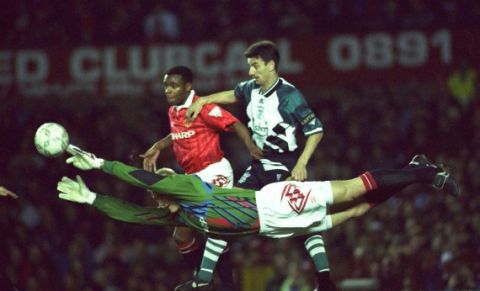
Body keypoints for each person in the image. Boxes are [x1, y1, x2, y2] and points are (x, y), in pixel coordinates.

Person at [59, 146, 460, 290]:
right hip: (272, 227)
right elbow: (133, 214)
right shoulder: (178, 215)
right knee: (356, 209)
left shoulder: (189, 189)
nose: (159, 204)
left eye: (161, 195)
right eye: (159, 200)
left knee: (354, 190)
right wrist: (92, 197)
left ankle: (426, 174)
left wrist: (100, 164)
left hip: (276, 202)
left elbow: (139, 177)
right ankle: (412, 170)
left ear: (172, 187)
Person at [185, 40, 332, 288]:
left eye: (255, 65)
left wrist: (302, 163)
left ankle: (325, 278)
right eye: (249, 66)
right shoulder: (251, 88)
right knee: (225, 210)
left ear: (271, 64)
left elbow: (315, 130)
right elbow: (233, 94)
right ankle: (203, 281)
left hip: (284, 165)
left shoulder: (290, 95)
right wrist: (202, 101)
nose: (250, 71)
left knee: (300, 217)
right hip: (260, 164)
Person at [140, 66, 262, 290]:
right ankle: (204, 280)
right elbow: (176, 134)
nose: (168, 90)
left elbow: (234, 123)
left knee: (215, 227)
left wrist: (251, 147)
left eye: (174, 85)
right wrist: (159, 145)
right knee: (181, 235)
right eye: (166, 85)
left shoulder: (204, 108)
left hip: (215, 171)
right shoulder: (173, 111)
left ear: (188, 87)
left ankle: (227, 285)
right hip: (192, 177)